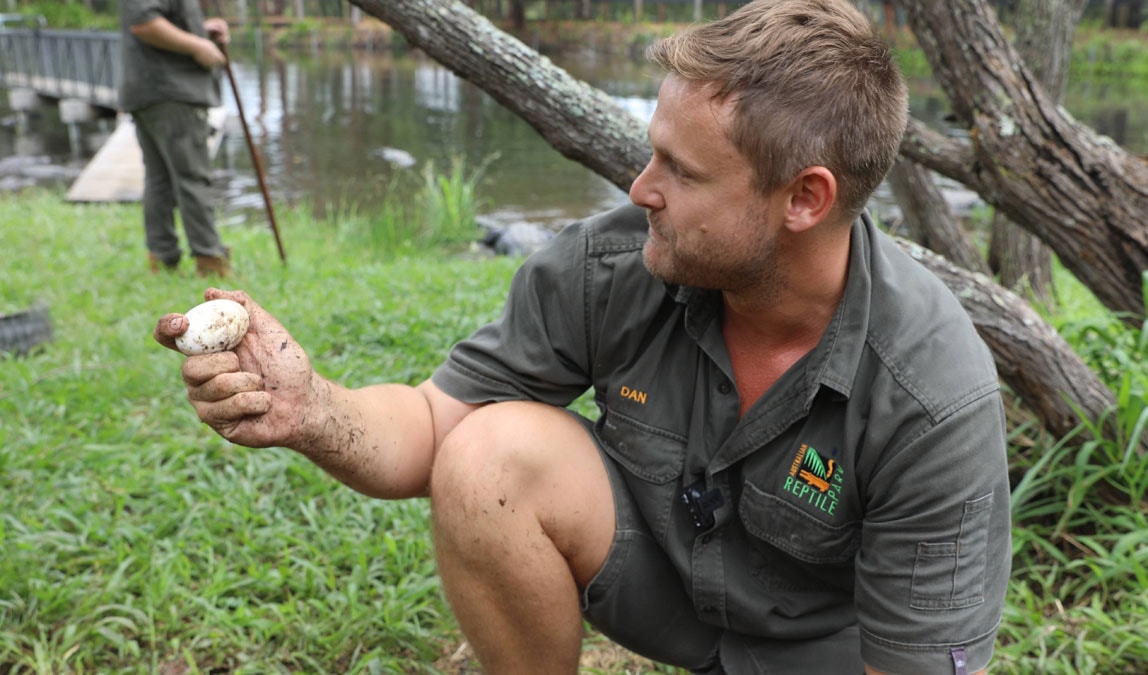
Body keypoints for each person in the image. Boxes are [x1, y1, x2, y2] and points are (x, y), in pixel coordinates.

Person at [154, 0, 1012, 672]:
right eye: (653, 154)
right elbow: (429, 431)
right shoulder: (614, 267)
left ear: (805, 199)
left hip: (823, 653)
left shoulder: (932, 395)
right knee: (488, 453)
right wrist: (309, 407)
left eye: (681, 170)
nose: (642, 188)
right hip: (675, 595)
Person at [120, 0, 232, 277]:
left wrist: (199, 30)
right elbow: (145, 24)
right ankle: (210, 260)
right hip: (172, 92)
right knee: (193, 177)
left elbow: (157, 18)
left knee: (159, 178)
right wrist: (199, 45)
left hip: (153, 89)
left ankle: (162, 258)